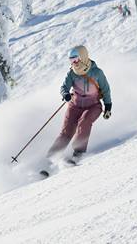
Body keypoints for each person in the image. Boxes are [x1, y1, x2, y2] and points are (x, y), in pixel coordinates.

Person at [41, 45, 112, 176]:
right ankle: (51, 159)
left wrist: (108, 106)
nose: (74, 63)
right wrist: (65, 94)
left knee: (84, 122)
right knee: (66, 131)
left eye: (76, 59)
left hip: (93, 106)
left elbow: (106, 89)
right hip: (75, 105)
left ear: (83, 57)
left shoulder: (97, 73)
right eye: (71, 60)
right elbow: (64, 86)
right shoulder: (72, 73)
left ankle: (78, 153)